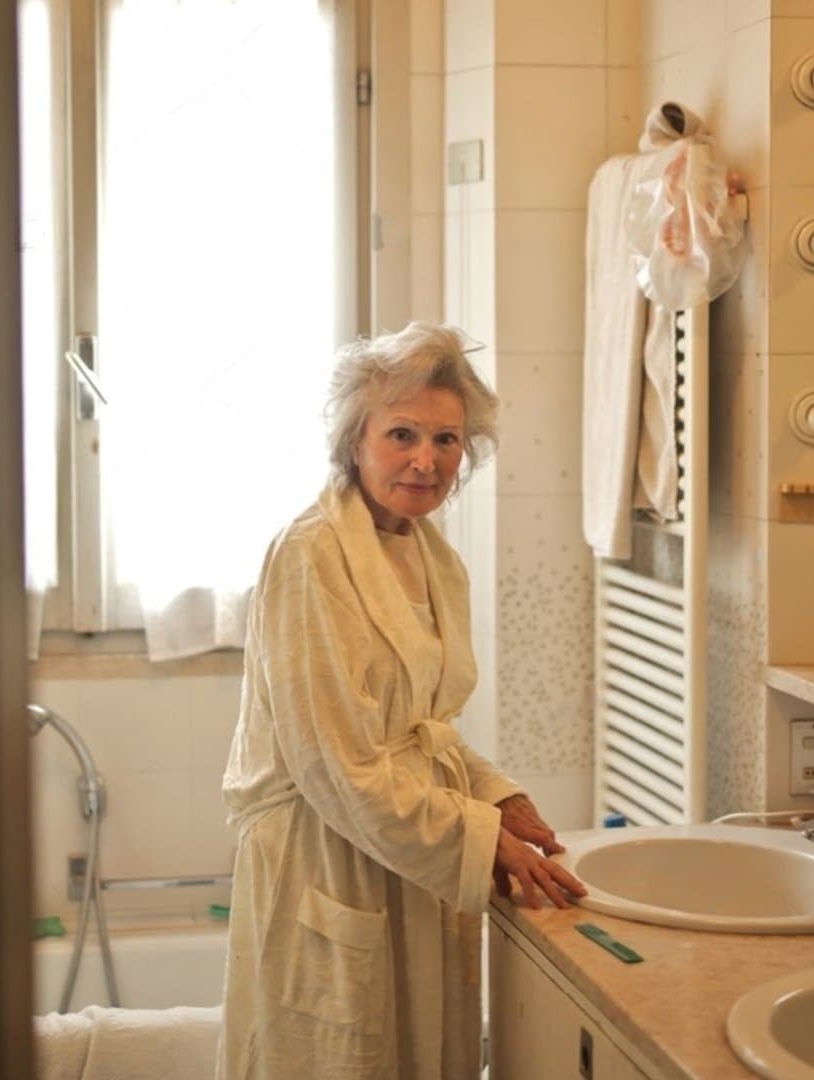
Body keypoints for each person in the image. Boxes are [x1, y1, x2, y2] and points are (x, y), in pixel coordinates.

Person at [218, 322, 587, 1079]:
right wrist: (479, 837)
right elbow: (336, 763)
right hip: (328, 858)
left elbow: (420, 727)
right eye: (402, 435)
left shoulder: (427, 551)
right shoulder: (310, 555)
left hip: (403, 848)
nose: (426, 460)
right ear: (355, 440)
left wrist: (499, 796)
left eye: (447, 439)